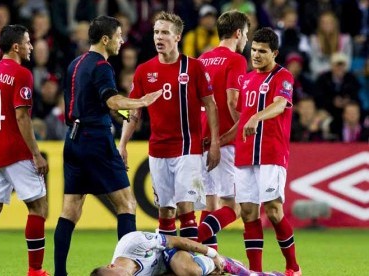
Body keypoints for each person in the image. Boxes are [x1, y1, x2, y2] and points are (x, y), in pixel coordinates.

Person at [54, 15, 162, 276]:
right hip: (96, 140)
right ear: (105, 39)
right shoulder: (103, 66)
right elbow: (112, 101)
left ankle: (59, 273)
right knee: (127, 205)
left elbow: (92, 103)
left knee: (70, 210)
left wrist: (128, 116)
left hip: (73, 139)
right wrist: (142, 102)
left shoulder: (75, 64)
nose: (122, 40)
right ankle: (126, 271)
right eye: (118, 35)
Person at [119, 11, 221, 242]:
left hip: (188, 150)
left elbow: (211, 106)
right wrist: (122, 144)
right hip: (157, 151)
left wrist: (214, 143)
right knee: (165, 212)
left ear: (177, 37)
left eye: (165, 32)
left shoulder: (193, 68)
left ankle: (192, 263)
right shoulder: (144, 70)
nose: (159, 37)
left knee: (186, 210)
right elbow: (133, 111)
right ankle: (168, 264)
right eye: (156, 32)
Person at [0, 24, 49, 276]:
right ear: (16, 46)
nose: (30, 46)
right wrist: (36, 153)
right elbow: (22, 117)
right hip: (15, 151)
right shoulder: (21, 73)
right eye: (28, 42)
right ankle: (35, 270)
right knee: (39, 207)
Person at [234, 27, 301, 276]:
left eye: (262, 51)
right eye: (253, 50)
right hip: (244, 154)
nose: (256, 55)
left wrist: (256, 118)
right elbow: (242, 118)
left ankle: (293, 267)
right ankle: (255, 272)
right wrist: (219, 139)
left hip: (271, 153)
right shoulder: (247, 79)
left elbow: (280, 105)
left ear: (274, 52)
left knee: (273, 211)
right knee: (249, 213)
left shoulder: (283, 77)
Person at [196, 10, 250, 250]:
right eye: (246, 34)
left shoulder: (201, 59)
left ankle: (207, 261)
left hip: (201, 139)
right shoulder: (236, 60)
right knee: (235, 206)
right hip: (224, 142)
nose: (246, 39)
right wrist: (245, 124)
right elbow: (231, 100)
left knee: (209, 203)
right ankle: (188, 242)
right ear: (238, 33)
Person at [90, 231, 284, 276]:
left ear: (111, 266)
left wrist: (211, 253)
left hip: (171, 253)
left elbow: (176, 240)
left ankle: (225, 261)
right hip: (167, 271)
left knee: (188, 270)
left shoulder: (134, 243)